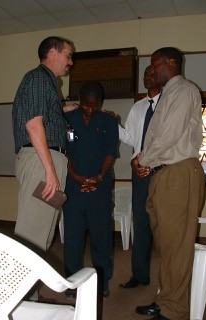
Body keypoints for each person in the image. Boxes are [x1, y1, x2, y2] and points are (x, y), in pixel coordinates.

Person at [134, 47, 206, 320]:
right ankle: (165, 300)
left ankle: (174, 311)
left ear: (171, 62)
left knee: (177, 246)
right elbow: (157, 136)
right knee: (165, 244)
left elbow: (169, 135)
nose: (152, 71)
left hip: (178, 173)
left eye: (155, 65)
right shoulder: (169, 94)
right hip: (163, 173)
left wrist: (143, 160)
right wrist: (147, 162)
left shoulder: (184, 90)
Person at [12, 36, 78, 252]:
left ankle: (32, 286)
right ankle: (20, 286)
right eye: (67, 55)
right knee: (31, 238)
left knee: (43, 235)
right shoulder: (39, 79)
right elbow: (33, 125)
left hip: (47, 160)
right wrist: (49, 171)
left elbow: (44, 117)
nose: (70, 62)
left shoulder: (46, 82)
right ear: (52, 53)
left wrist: (63, 109)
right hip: (42, 162)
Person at [63, 81, 119, 299]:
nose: (90, 110)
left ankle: (102, 282)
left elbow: (110, 153)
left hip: (100, 188)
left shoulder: (109, 121)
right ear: (80, 100)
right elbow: (64, 152)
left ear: (100, 103)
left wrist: (100, 177)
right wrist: (76, 177)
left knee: (101, 238)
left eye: (94, 106)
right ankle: (72, 283)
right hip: (74, 188)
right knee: (73, 238)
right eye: (86, 106)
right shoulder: (67, 120)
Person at [118, 65, 161, 289]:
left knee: (164, 226)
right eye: (145, 74)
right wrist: (112, 124)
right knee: (141, 223)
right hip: (141, 172)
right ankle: (140, 275)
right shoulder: (138, 107)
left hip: (164, 171)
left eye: (152, 74)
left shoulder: (169, 103)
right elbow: (131, 138)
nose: (147, 77)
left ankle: (168, 283)